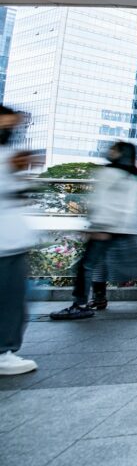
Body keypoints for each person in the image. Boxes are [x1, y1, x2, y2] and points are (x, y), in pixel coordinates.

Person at [51, 142, 137, 318]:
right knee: (125, 265)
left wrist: (96, 226)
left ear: (121, 153)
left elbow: (101, 201)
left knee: (87, 265)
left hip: (105, 226)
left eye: (114, 149)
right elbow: (131, 206)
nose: (109, 151)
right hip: (127, 227)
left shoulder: (108, 173)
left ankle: (80, 305)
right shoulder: (132, 176)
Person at [0, 106, 38, 376]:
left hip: (11, 240)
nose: (12, 131)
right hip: (6, 242)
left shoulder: (8, 156)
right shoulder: (7, 158)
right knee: (11, 298)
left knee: (15, 296)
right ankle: (3, 353)